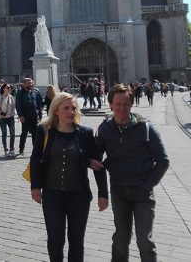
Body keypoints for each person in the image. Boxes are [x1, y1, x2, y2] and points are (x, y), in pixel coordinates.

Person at [93, 83, 169, 262]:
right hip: (119, 192)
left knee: (144, 241)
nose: (122, 108)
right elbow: (96, 162)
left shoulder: (146, 128)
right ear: (111, 105)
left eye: (126, 104)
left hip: (142, 194)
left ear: (132, 104)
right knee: (121, 238)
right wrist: (102, 192)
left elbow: (163, 160)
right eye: (118, 104)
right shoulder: (104, 129)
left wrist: (147, 186)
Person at [30, 92, 108, 262]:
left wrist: (103, 194)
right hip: (52, 195)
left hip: (79, 197)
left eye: (73, 108)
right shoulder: (44, 131)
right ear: (56, 110)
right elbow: (35, 159)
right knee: (55, 241)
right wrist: (35, 186)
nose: (71, 112)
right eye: (66, 108)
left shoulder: (85, 133)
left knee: (77, 241)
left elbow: (97, 165)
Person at [15, 77, 43, 156]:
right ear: (24, 84)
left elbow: (39, 104)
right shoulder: (20, 93)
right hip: (25, 117)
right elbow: (18, 105)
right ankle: (21, 149)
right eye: (28, 83)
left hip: (34, 117)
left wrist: (40, 115)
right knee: (24, 133)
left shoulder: (35, 92)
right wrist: (20, 115)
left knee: (35, 134)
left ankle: (35, 150)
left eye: (31, 83)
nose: (30, 84)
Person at [0, 83, 16, 157]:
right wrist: (0, 116)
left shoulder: (11, 97)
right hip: (3, 119)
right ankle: (5, 150)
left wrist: (13, 114)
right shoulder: (0, 98)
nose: (9, 89)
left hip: (11, 118)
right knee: (4, 134)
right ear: (3, 89)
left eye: (10, 87)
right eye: (7, 87)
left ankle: (12, 150)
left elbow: (13, 107)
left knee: (12, 134)